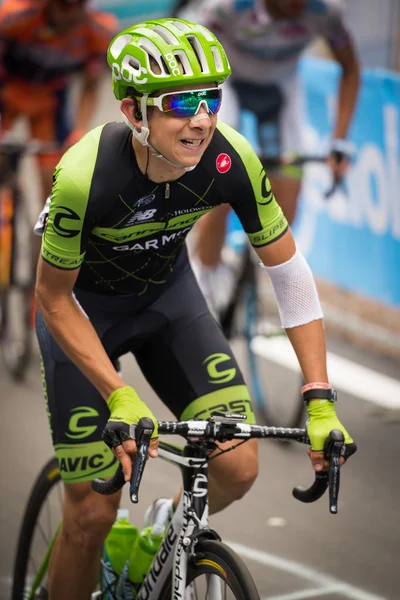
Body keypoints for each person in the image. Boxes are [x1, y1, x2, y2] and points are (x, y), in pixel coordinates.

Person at [35, 17, 356, 599]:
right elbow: (51, 298)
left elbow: (289, 275)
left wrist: (319, 396)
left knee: (237, 466)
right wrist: (118, 391)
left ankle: (155, 547)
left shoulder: (230, 158)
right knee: (89, 516)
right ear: (136, 112)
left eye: (210, 97)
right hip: (84, 316)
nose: (203, 116)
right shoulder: (85, 176)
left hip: (167, 302)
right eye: (181, 101)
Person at [178, 0, 360, 307]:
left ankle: (241, 265)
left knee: (285, 204)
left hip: (282, 89)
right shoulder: (226, 8)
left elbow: (351, 68)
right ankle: (204, 276)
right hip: (226, 83)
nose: (299, 3)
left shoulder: (326, 11)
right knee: (220, 181)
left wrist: (339, 141)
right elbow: (192, 63)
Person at [0, 0, 117, 206]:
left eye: (79, 5)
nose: (71, 14)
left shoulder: (99, 31)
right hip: (8, 94)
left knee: (53, 182)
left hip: (48, 104)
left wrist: (79, 131)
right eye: (64, 6)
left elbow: (90, 88)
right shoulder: (14, 16)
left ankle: (44, 234)